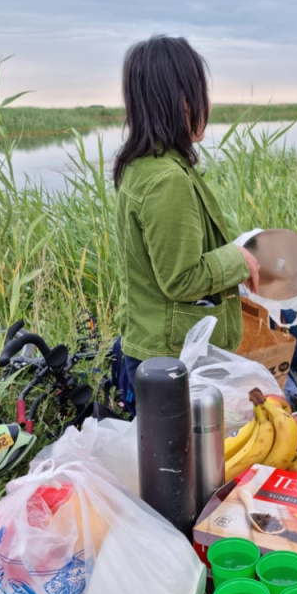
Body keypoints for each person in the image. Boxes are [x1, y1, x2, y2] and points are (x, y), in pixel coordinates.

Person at [111, 35, 259, 412]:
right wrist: (238, 259)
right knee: (180, 465)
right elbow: (181, 278)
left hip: (155, 354)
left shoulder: (143, 167)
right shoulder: (167, 180)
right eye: (201, 94)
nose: (208, 105)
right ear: (182, 102)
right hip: (172, 362)